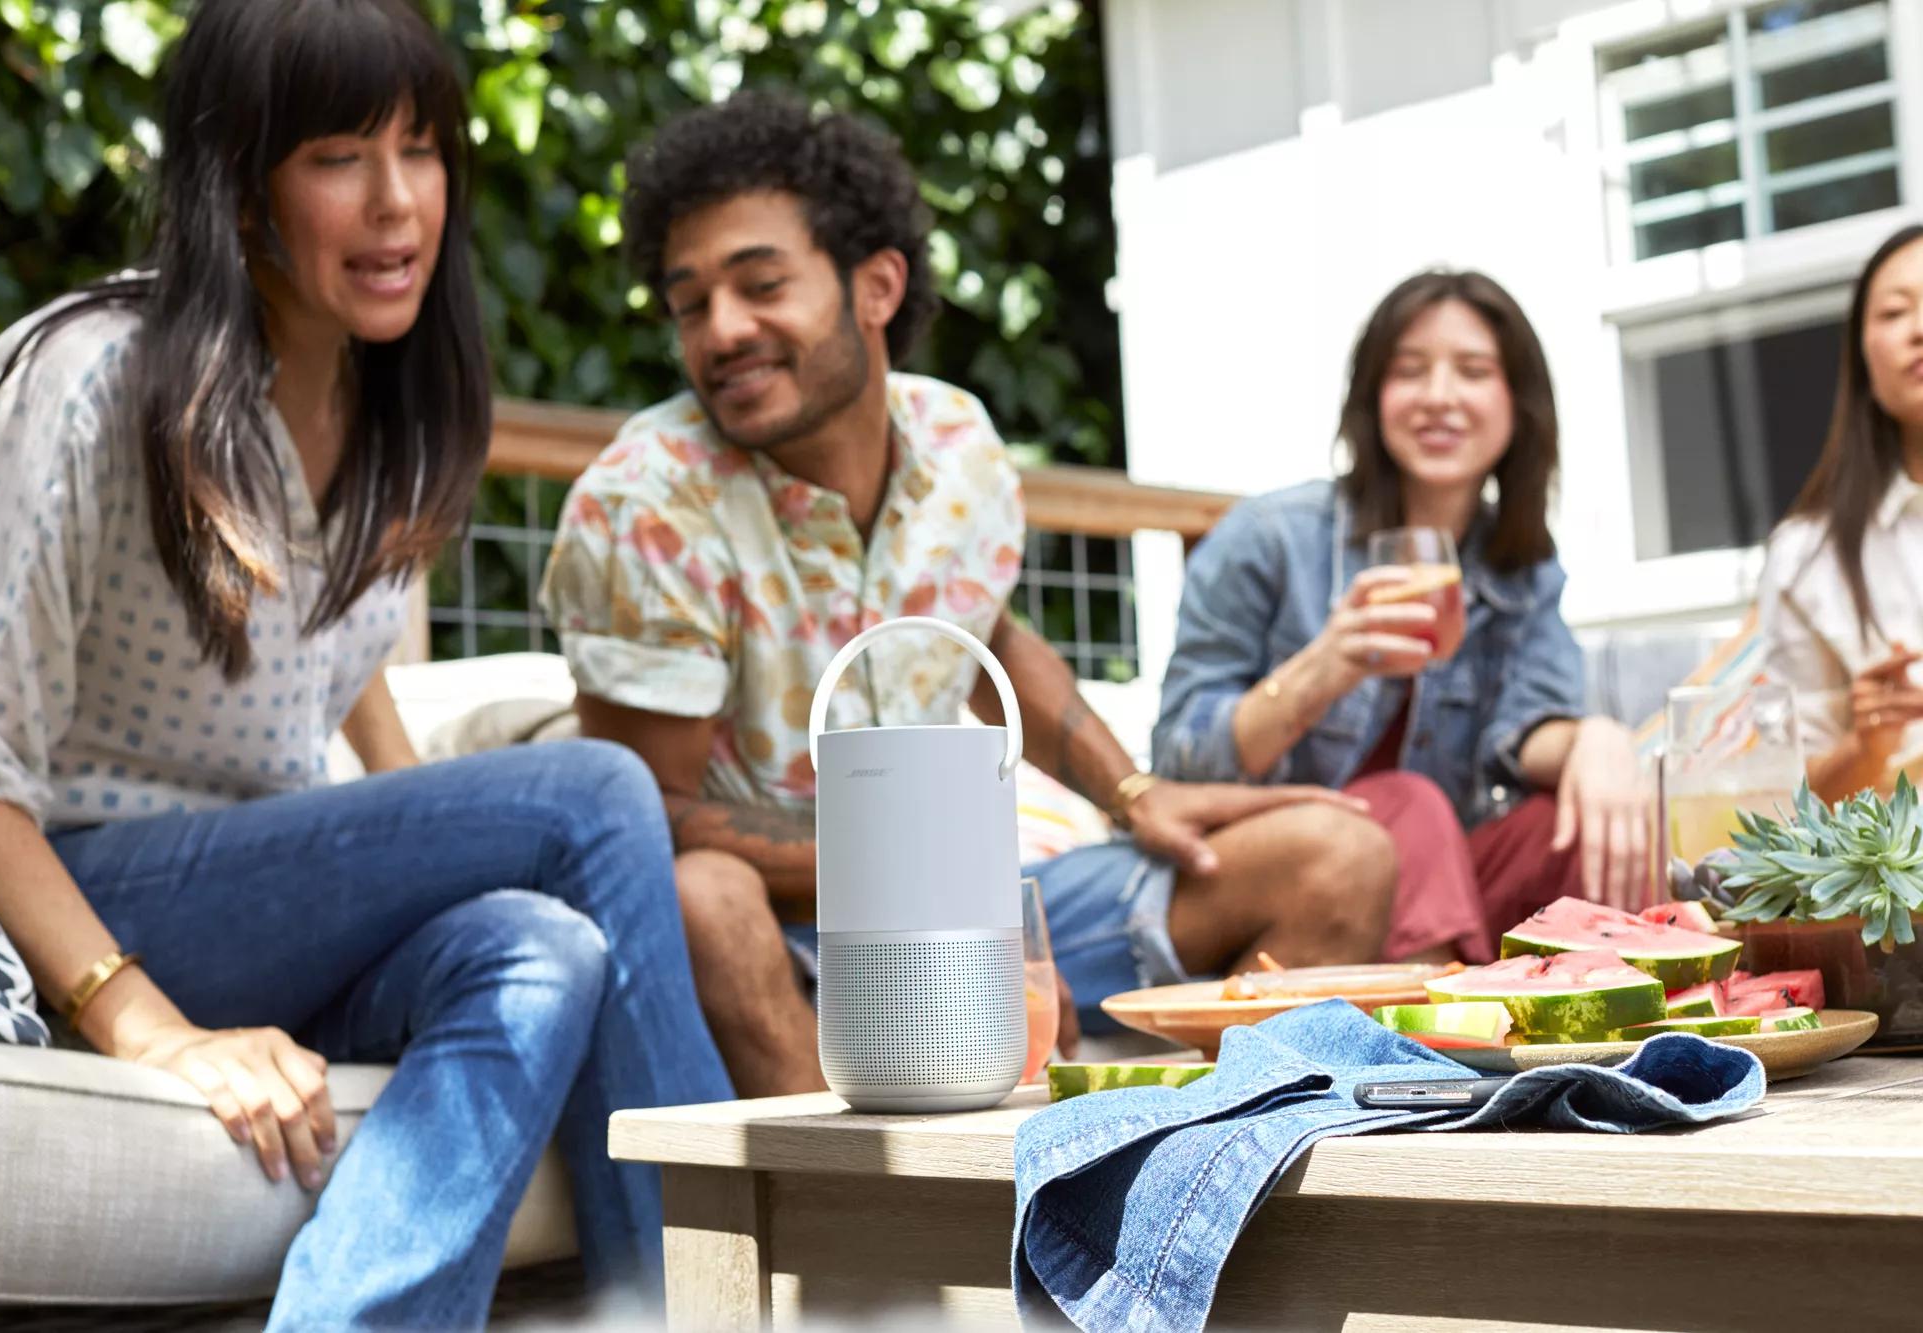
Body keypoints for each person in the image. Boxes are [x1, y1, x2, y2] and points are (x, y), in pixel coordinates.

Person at [0, 1, 730, 1324]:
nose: (399, 201)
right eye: (340, 155)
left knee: (536, 946)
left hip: (262, 894)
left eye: (421, 150)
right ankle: (703, 1303)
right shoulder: (84, 378)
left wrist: (438, 836)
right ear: (240, 183)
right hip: (75, 896)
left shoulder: (386, 412)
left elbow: (327, 664)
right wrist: (149, 1027)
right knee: (591, 793)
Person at [537, 92, 1396, 1098]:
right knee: (703, 896)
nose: (722, 330)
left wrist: (1131, 793)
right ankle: (858, 1238)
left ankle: (1187, 1165)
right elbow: (648, 819)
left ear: (877, 285)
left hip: (964, 894)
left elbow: (982, 631)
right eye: (690, 304)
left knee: (1338, 856)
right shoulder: (645, 502)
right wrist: (962, 898)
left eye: (760, 284)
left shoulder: (956, 443)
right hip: (781, 926)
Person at [1152, 270, 1655, 961]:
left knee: (1574, 821)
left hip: (1439, 883)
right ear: (1373, 397)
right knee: (1408, 804)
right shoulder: (1270, 536)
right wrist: (1319, 672)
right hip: (1285, 872)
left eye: (1474, 371)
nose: (1440, 397)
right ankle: (1441, 1035)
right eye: (1410, 371)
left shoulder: (1521, 566)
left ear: (1517, 405)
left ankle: (1601, 1019)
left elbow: (1523, 732)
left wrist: (1598, 738)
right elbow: (1177, 761)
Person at [1760, 224, 1923, 805]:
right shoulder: (1807, 557)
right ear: (1863, 354)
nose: (1920, 330)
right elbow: (1782, 811)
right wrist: (1867, 745)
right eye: (1896, 312)